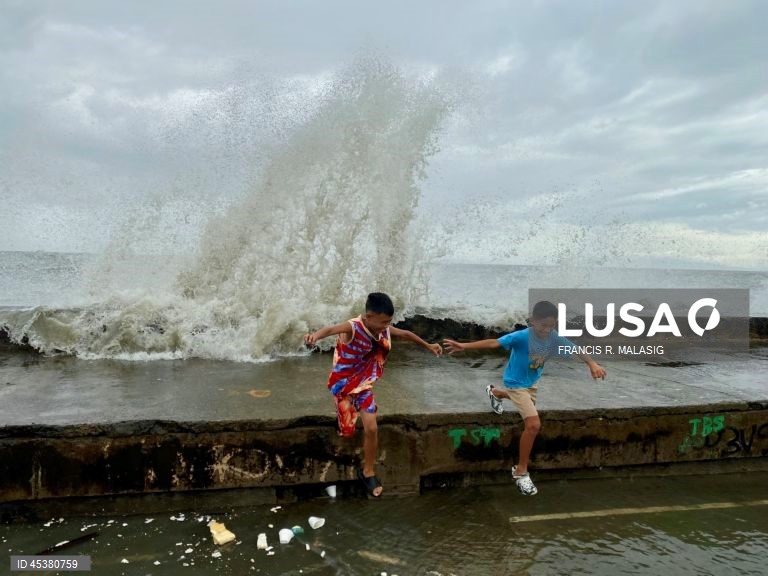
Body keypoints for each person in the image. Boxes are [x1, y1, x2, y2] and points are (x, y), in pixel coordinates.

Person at [443, 300, 606, 496]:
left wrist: (592, 364)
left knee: (523, 404)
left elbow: (575, 348)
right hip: (515, 383)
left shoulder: (553, 337)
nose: (547, 330)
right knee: (533, 425)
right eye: (543, 325)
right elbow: (495, 342)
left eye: (551, 326)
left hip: (532, 384)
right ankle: (520, 471)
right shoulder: (521, 337)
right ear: (532, 321)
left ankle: (495, 393)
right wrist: (463, 346)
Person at [304, 292, 443, 497]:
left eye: (388, 322)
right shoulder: (353, 327)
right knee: (347, 429)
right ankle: (344, 430)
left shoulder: (383, 328)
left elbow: (405, 334)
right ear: (368, 317)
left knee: (371, 427)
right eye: (382, 322)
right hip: (344, 385)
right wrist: (314, 337)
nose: (385, 327)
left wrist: (428, 346)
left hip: (364, 386)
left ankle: (368, 471)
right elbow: (331, 329)